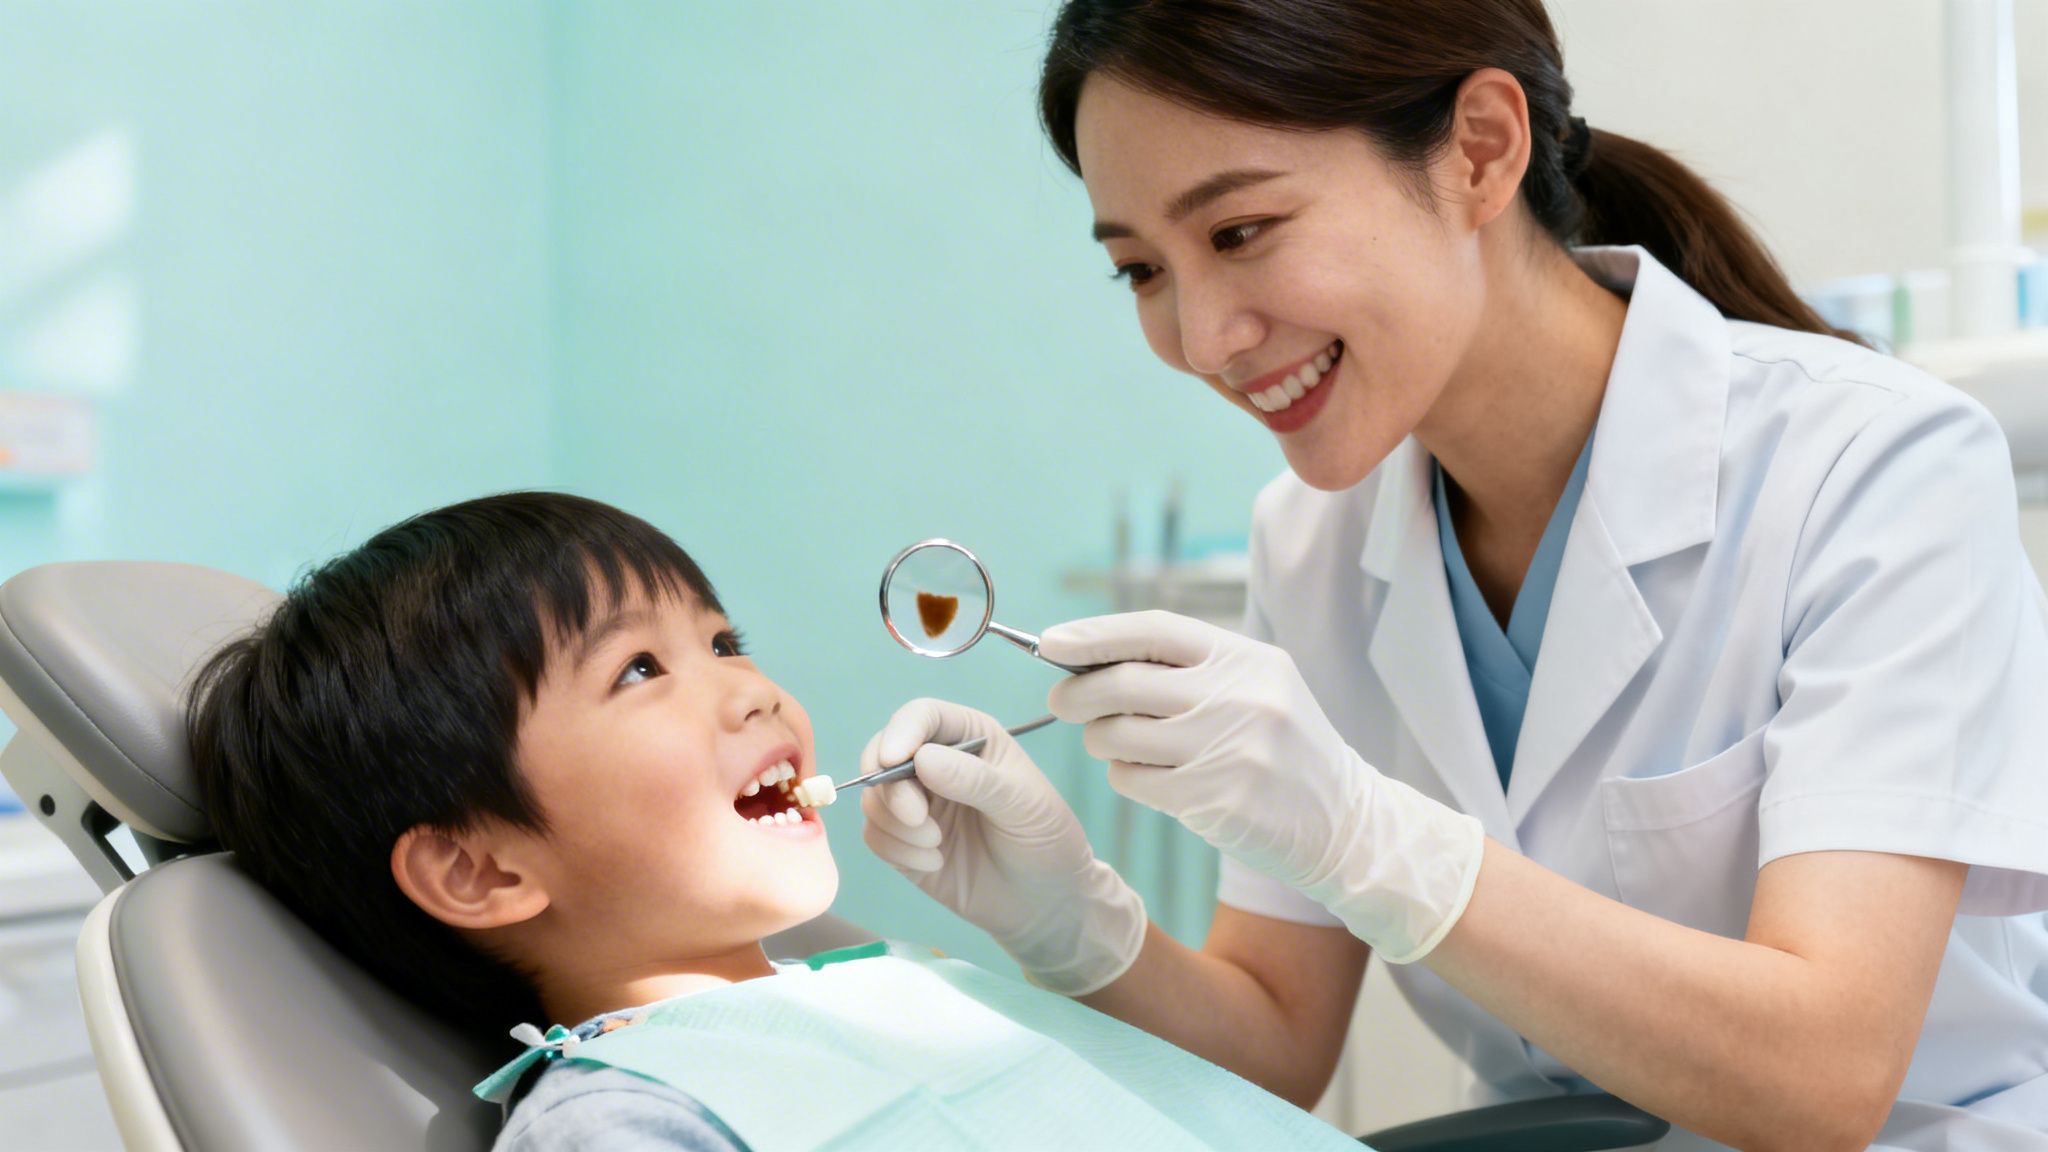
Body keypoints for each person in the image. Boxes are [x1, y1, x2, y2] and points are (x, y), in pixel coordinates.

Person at [858, 2, 2048, 1149]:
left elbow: (1823, 1079)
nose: (1202, 336)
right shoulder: (1311, 542)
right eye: (1140, 269)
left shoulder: (1872, 464)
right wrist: (1070, 922)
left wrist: (1369, 837)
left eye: (1237, 232)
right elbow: (1274, 1044)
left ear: (1478, 151)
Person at [185, 490, 1367, 1152]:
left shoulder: (899, 980)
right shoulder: (621, 1124)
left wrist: (1073, 926)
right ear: (479, 869)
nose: (750, 688)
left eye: (722, 642)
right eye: (639, 673)